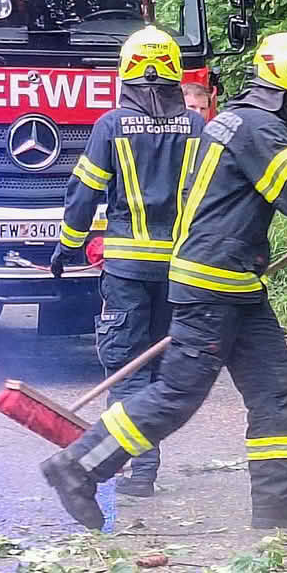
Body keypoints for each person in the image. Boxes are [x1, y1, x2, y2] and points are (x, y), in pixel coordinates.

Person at [39, 32, 287, 531]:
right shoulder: (258, 129)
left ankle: (278, 500)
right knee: (176, 393)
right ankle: (77, 465)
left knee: (277, 388)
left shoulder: (236, 121)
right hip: (214, 282)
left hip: (235, 280)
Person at [50, 25, 204, 498]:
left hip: (127, 270)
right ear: (176, 72)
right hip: (181, 271)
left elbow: (85, 193)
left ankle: (137, 468)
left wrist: (68, 246)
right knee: (161, 367)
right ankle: (145, 468)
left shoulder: (111, 126)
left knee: (126, 364)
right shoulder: (198, 127)